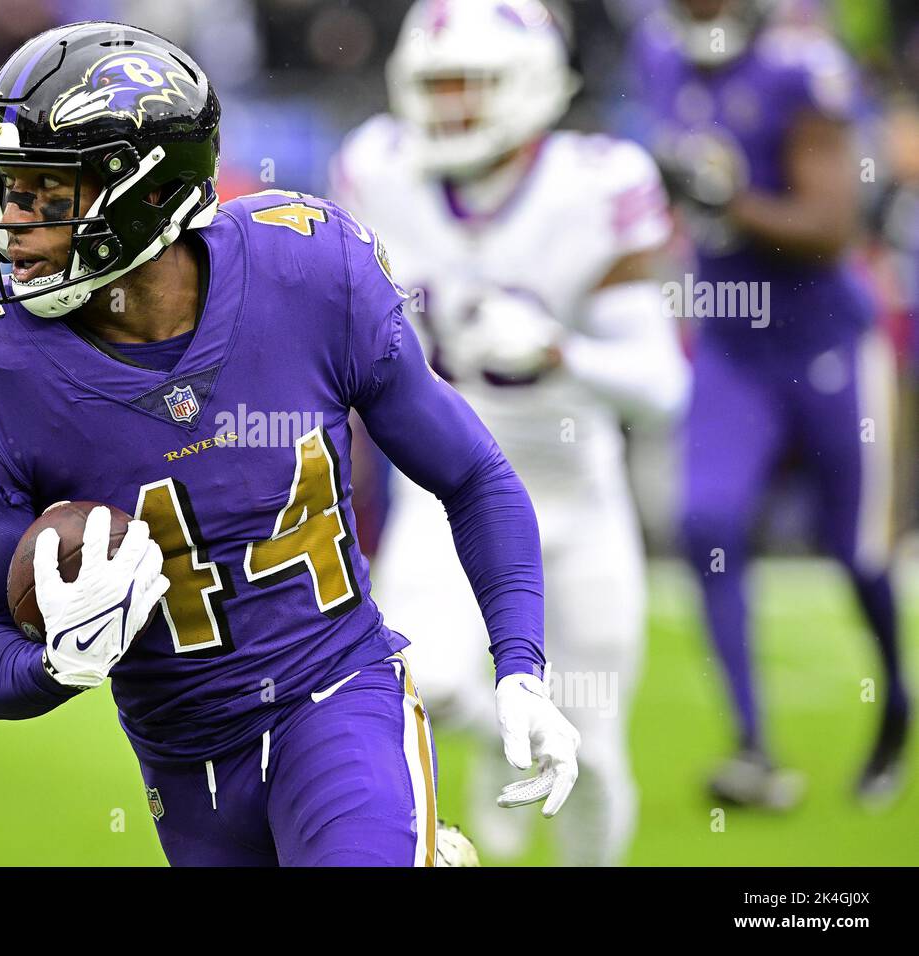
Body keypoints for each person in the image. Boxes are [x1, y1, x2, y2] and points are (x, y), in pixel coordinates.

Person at [0, 19, 580, 866]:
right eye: (4, 190)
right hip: (184, 758)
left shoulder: (305, 268)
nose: (12, 226)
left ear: (148, 192)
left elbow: (473, 476)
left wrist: (519, 667)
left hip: (337, 695)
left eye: (45, 193)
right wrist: (57, 665)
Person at [332, 0, 688, 865]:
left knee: (594, 753)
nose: (449, 105)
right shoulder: (376, 168)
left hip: (575, 491)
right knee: (423, 683)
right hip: (448, 481)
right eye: (436, 84)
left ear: (529, 85)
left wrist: (562, 350)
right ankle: (496, 733)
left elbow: (662, 386)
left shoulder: (597, 180)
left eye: (471, 84)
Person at [632, 0, 910, 807]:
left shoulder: (798, 66)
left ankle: (893, 702)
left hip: (824, 342)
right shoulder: (658, 48)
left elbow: (831, 225)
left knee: (857, 555)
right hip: (730, 342)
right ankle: (753, 748)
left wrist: (728, 200)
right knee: (709, 522)